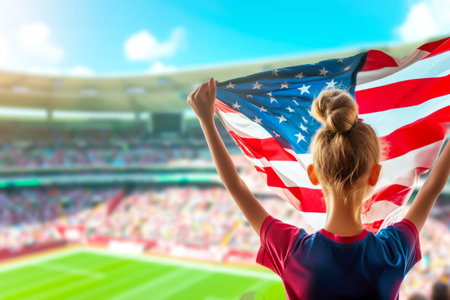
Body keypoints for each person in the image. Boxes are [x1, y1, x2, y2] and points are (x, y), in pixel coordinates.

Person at [187, 77, 450, 300]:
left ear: (313, 174)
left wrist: (207, 122)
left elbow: (235, 185)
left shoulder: (293, 252)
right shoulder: (391, 253)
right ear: (375, 176)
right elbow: (433, 187)